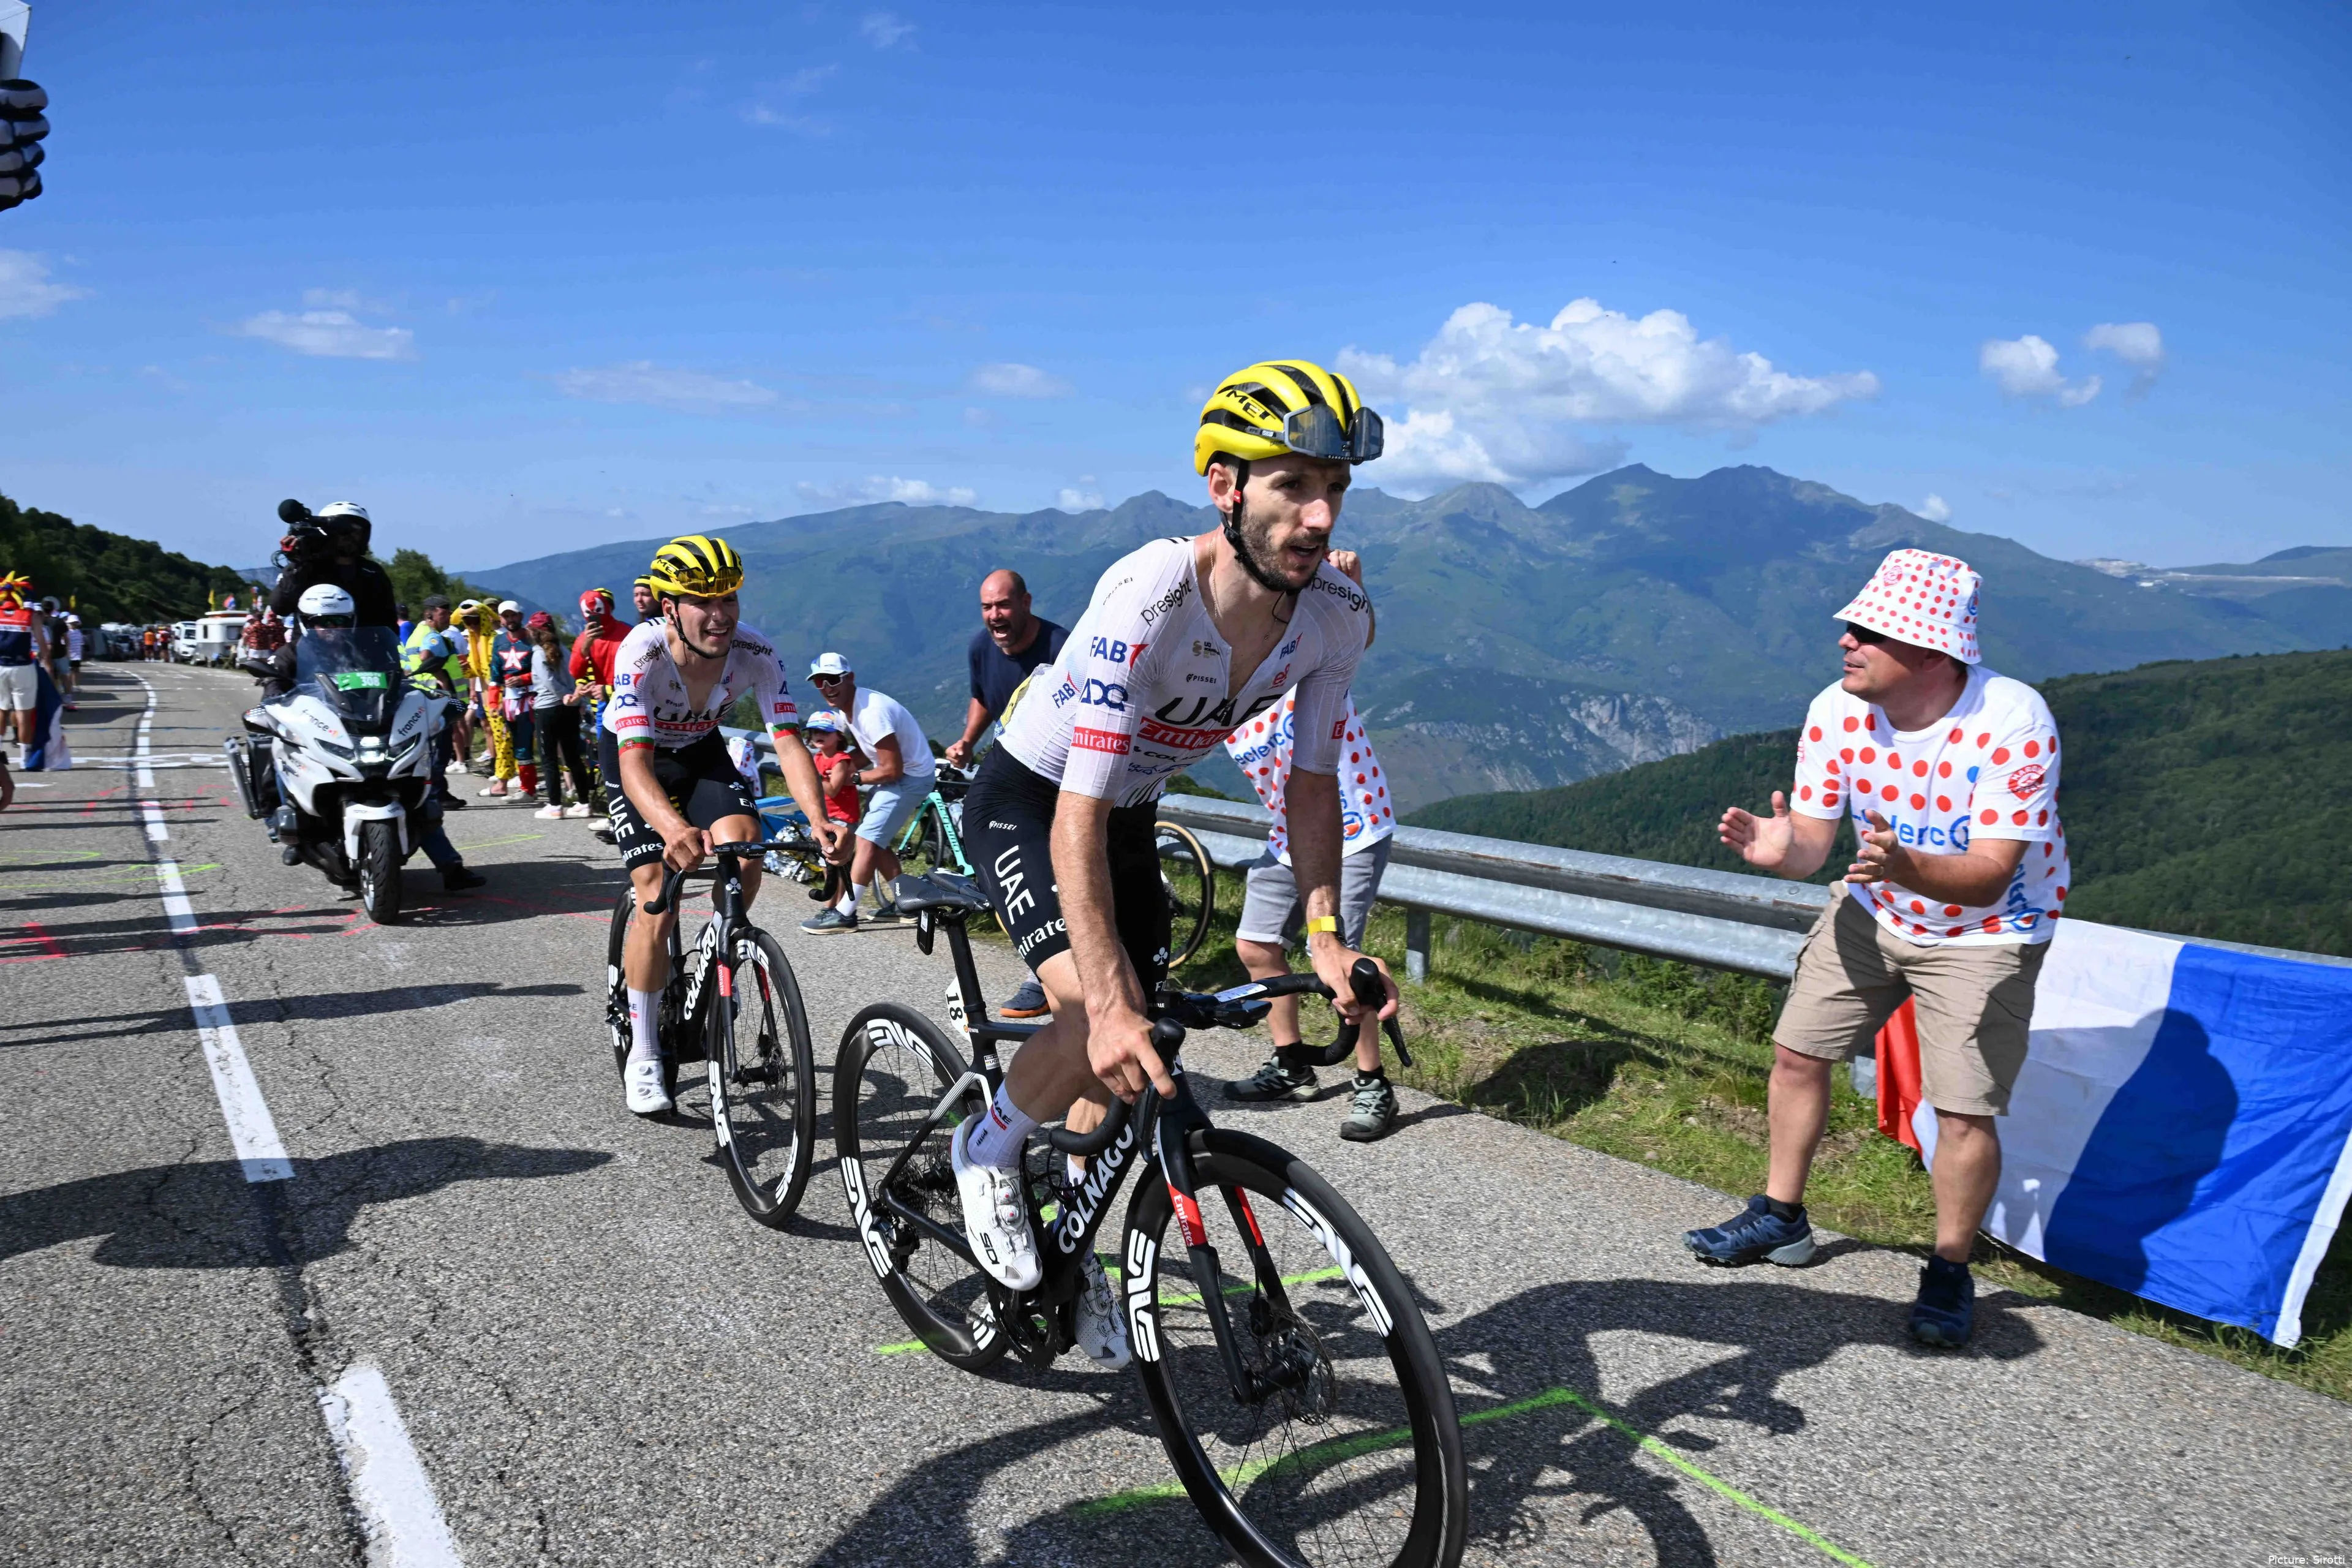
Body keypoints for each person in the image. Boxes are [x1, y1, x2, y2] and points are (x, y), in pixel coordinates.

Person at [950, 357, 1395, 1369]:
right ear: (1225, 486)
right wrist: (1102, 999)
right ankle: (987, 1143)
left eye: (1334, 489)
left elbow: (1312, 784)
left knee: (1136, 1057)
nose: (1320, 518)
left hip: (1131, 813)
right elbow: (1075, 816)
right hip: (1036, 803)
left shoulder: (1337, 617)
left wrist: (1323, 933)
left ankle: (1072, 1250)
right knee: (1091, 1016)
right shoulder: (1152, 597)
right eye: (1293, 486)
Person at [1686, 549, 2069, 1351]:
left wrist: (1906, 865)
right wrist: (1776, 850)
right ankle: (1781, 1217)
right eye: (1850, 627)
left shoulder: (2013, 721)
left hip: (1986, 932)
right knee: (1797, 1053)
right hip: (1873, 906)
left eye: (1868, 631)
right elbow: (1814, 847)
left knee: (1962, 1110)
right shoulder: (1836, 709)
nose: (1845, 643)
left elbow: (1992, 877)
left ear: (1930, 651)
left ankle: (1949, 1270)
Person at [605, 534, 843, 1116]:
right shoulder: (641, 654)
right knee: (654, 895)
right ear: (669, 609)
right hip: (635, 757)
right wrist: (671, 828)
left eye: (729, 600)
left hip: (701, 750)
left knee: (747, 851)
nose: (719, 617)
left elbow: (787, 743)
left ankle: (722, 943)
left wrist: (819, 817)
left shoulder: (756, 654)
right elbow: (634, 765)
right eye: (701, 602)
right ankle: (643, 1051)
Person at [1220, 552, 1403, 1141]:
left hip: (1354, 827)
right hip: (1287, 833)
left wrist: (1353, 586)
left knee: (1344, 962)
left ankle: (1373, 1083)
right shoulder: (1226, 693)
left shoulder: (1306, 666)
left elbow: (1356, 634)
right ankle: (1293, 1062)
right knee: (1254, 944)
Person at [288, 584, 483, 894]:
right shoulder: (294, 652)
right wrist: (275, 704)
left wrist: (418, 696)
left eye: (338, 621)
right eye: (320, 622)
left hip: (366, 727)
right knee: (277, 752)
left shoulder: (368, 648)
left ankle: (450, 867)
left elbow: (395, 680)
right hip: (323, 729)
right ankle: (293, 829)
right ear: (306, 622)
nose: (329, 628)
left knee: (417, 789)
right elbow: (277, 690)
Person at [941, 570, 1071, 1017]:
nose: (994, 616)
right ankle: (1049, 973)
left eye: (1003, 605)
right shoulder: (981, 647)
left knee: (1056, 873)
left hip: (1058, 776)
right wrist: (967, 740)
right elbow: (982, 696)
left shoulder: (1062, 648)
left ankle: (1053, 977)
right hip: (1006, 772)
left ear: (1026, 602)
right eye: (987, 607)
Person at [797, 652, 936, 935]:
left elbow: (892, 769)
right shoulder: (849, 710)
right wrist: (845, 766)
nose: (826, 687)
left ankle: (845, 913)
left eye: (833, 679)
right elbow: (866, 751)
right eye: (819, 682)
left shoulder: (870, 712)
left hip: (911, 777)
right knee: (878, 840)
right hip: (903, 774)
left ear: (850, 678)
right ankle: (905, 905)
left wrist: (853, 777)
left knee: (866, 838)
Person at [270, 502, 398, 627]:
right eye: (343, 532)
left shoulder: (372, 573)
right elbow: (280, 608)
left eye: (357, 532)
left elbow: (388, 623)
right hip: (309, 646)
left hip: (360, 647)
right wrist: (297, 566)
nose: (350, 538)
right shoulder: (307, 568)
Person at [799, 710, 868, 922]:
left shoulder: (841, 759)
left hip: (843, 818)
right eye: (813, 731)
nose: (817, 735)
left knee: (834, 865)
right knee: (828, 864)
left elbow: (833, 789)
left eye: (824, 732)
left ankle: (833, 908)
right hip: (828, 818)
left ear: (838, 735)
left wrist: (811, 779)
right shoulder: (819, 757)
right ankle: (834, 907)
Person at [401, 595, 469, 809]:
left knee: (430, 748)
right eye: (443, 612)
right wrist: (446, 688)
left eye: (449, 612)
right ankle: (438, 793)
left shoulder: (414, 635)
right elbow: (426, 657)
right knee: (441, 747)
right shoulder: (432, 636)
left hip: (421, 697)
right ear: (430, 614)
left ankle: (432, 791)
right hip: (438, 699)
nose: (448, 616)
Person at [526, 612, 595, 820]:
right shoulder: (564, 650)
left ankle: (555, 804)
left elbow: (548, 682)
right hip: (570, 709)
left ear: (535, 632)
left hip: (548, 709)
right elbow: (575, 677)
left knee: (549, 759)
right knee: (573, 756)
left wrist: (565, 696)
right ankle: (584, 803)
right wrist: (576, 700)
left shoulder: (538, 653)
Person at [486, 601, 540, 803]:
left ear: (521, 616)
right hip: (509, 701)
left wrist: (524, 679)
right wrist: (493, 703)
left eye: (513, 615)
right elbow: (495, 675)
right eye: (506, 616)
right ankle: (527, 787)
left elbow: (543, 669)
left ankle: (529, 789)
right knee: (517, 743)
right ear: (501, 619)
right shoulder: (499, 642)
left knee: (526, 744)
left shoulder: (532, 639)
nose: (510, 620)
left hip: (531, 698)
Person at [0, 572, 49, 756]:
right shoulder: (30, 616)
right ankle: (25, 757)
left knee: (1, 710)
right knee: (24, 715)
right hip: (23, 667)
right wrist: (45, 660)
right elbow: (43, 645)